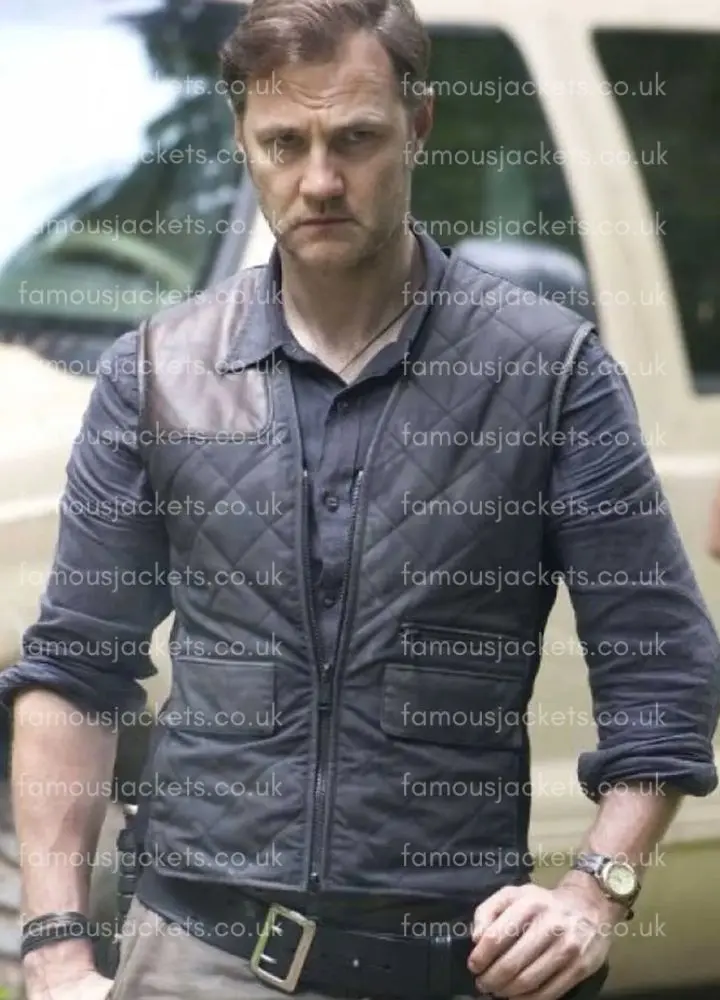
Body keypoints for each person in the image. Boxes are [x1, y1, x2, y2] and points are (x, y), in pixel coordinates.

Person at [2, 0, 719, 998]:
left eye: (355, 139)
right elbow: (77, 670)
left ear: (418, 125)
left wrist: (596, 891)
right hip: (194, 958)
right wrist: (54, 949)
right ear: (243, 139)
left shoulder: (550, 375)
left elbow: (661, 669)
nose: (320, 180)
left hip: (449, 965)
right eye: (284, 144)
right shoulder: (156, 374)